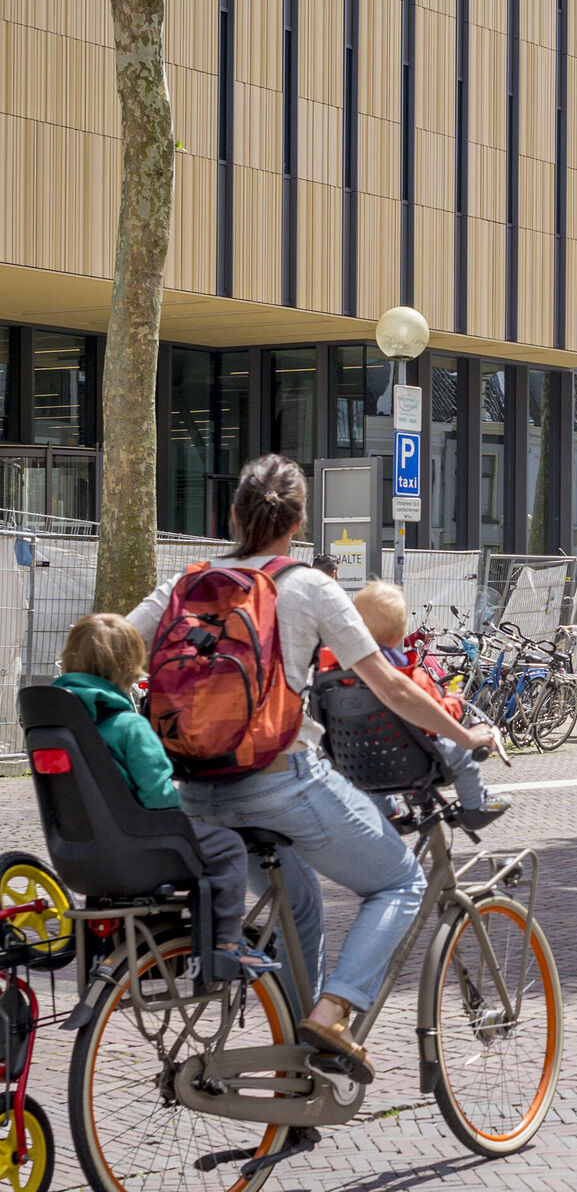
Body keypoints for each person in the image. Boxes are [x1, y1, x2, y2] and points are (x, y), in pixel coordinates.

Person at [126, 454, 498, 1086]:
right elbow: (391, 686)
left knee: (300, 906)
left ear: (234, 514)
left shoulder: (183, 586)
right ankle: (333, 1013)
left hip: (195, 796)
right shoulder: (309, 585)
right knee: (400, 883)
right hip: (279, 783)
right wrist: (467, 733)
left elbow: (114, 653)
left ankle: (300, 1079)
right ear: (297, 523)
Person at [57, 613, 277, 981]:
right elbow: (159, 799)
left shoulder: (65, 722)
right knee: (226, 848)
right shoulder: (129, 725)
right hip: (139, 846)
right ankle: (225, 944)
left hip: (83, 855)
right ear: (129, 666)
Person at [349, 580, 510, 826]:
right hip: (413, 757)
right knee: (464, 756)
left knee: (375, 774)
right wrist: (454, 699)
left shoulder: (344, 676)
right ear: (399, 632)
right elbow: (438, 715)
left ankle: (388, 812)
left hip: (362, 761)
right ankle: (474, 807)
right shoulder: (407, 674)